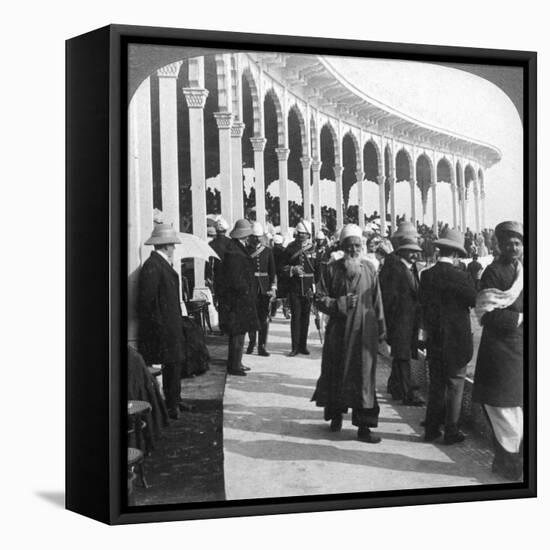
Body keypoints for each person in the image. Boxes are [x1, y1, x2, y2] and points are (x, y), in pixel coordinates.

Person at [312, 224, 386, 443]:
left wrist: (381, 330)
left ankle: (364, 428)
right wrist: (339, 304)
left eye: (358, 245)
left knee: (364, 380)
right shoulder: (331, 269)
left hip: (365, 335)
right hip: (339, 335)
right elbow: (319, 299)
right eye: (350, 246)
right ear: (343, 247)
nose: (354, 249)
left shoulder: (370, 269)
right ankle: (336, 417)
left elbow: (377, 300)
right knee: (336, 375)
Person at [473, 221, 524, 480]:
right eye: (508, 243)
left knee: (517, 407)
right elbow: (486, 313)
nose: (513, 247)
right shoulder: (492, 273)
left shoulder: (526, 271)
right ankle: (509, 466)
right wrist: (519, 318)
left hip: (520, 351)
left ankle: (509, 462)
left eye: (517, 242)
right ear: (499, 245)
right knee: (503, 409)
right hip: (499, 353)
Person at [418, 229, 477, 444]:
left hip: (435, 339)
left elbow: (422, 302)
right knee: (455, 385)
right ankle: (451, 430)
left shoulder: (427, 275)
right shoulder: (462, 277)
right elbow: (474, 301)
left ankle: (431, 429)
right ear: (456, 254)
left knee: (436, 385)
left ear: (439, 249)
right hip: (458, 341)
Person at [137, 223, 189, 419]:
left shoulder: (161, 264)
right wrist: (158, 325)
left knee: (174, 363)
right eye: (172, 245)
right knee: (171, 363)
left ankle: (175, 399)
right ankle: (171, 405)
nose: (174, 248)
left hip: (170, 324)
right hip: (163, 327)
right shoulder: (153, 266)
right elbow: (146, 302)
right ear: (166, 245)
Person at [380, 235, 425, 406]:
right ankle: (407, 394)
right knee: (403, 356)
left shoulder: (411, 269)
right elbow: (389, 298)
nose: (414, 255)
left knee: (401, 355)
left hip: (409, 321)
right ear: (402, 252)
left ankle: (394, 386)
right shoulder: (396, 269)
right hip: (399, 320)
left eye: (416, 252)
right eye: (411, 252)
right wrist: (389, 322)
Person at [217, 219, 259, 376]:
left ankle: (237, 362)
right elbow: (236, 279)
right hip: (238, 300)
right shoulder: (235, 252)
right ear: (244, 236)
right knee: (238, 333)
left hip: (238, 300)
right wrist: (246, 290)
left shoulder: (235, 248)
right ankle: (234, 366)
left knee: (239, 333)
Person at [282, 219, 316, 356]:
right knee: (296, 317)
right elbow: (282, 267)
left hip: (308, 286)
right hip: (295, 286)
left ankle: (303, 345)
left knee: (306, 318)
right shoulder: (290, 248)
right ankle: (295, 347)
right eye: (300, 233)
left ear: (309, 235)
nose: (302, 236)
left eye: (304, 234)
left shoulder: (314, 249)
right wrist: (292, 269)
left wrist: (316, 287)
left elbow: (318, 269)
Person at [246, 222, 277, 356]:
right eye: (254, 237)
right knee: (252, 317)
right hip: (251, 288)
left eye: (258, 237)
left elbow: (272, 271)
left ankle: (262, 345)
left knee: (264, 318)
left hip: (264, 289)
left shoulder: (268, 251)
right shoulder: (246, 251)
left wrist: (273, 288)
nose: (256, 239)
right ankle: (252, 343)